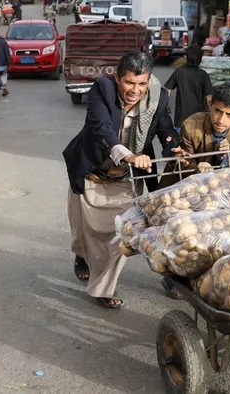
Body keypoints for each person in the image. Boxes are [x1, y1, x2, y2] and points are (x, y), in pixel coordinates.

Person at [63, 52, 184, 309]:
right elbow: (101, 127)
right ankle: (81, 256)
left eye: (142, 84)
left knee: (121, 236)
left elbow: (164, 127)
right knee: (85, 231)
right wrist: (128, 155)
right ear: (117, 77)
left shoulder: (158, 96)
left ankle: (102, 289)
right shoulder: (102, 88)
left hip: (126, 179)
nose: (135, 90)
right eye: (129, 83)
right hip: (91, 171)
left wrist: (173, 147)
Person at [159, 83, 230, 298]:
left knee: (218, 233)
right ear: (210, 105)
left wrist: (224, 159)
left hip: (219, 188)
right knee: (183, 234)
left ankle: (206, 276)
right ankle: (174, 275)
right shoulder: (191, 125)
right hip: (184, 185)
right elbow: (182, 161)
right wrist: (196, 167)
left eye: (229, 114)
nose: (221, 119)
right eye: (218, 111)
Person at [164, 44, 214, 131]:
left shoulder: (179, 71)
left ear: (186, 57)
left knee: (180, 142)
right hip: (198, 119)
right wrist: (211, 113)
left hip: (180, 119)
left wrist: (165, 105)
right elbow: (208, 98)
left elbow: (167, 90)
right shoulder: (203, 74)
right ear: (200, 59)